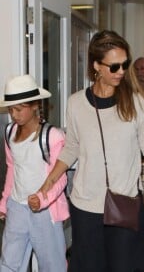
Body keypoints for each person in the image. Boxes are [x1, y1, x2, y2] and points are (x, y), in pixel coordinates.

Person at [29, 30, 144, 272]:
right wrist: (46, 185)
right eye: (114, 67)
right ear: (96, 66)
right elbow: (71, 147)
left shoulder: (136, 102)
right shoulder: (76, 103)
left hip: (124, 203)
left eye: (125, 64)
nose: (122, 71)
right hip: (86, 205)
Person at [0, 74, 69, 272]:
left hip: (45, 212)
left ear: (34, 106)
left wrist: (41, 198)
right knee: (9, 263)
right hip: (16, 208)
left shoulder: (52, 136)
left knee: (52, 265)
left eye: (19, 109)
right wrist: (5, 202)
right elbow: (12, 168)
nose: (14, 114)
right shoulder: (9, 132)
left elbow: (60, 178)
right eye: (11, 109)